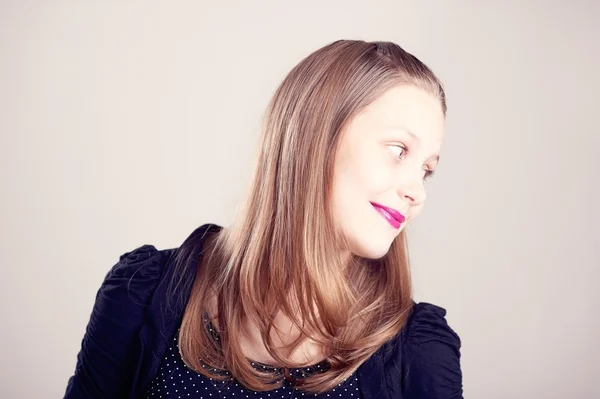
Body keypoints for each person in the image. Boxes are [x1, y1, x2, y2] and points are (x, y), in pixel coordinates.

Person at [64, 39, 463, 399]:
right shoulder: (143, 292)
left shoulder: (418, 351)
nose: (418, 191)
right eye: (398, 150)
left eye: (427, 169)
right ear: (315, 137)